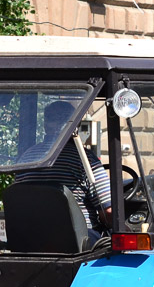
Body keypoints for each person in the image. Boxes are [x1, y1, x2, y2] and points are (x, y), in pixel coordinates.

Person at [13, 100, 112, 236]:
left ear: (45, 125)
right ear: (75, 124)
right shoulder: (84, 159)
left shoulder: (27, 157)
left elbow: (18, 201)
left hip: (32, 239)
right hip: (78, 243)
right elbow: (108, 212)